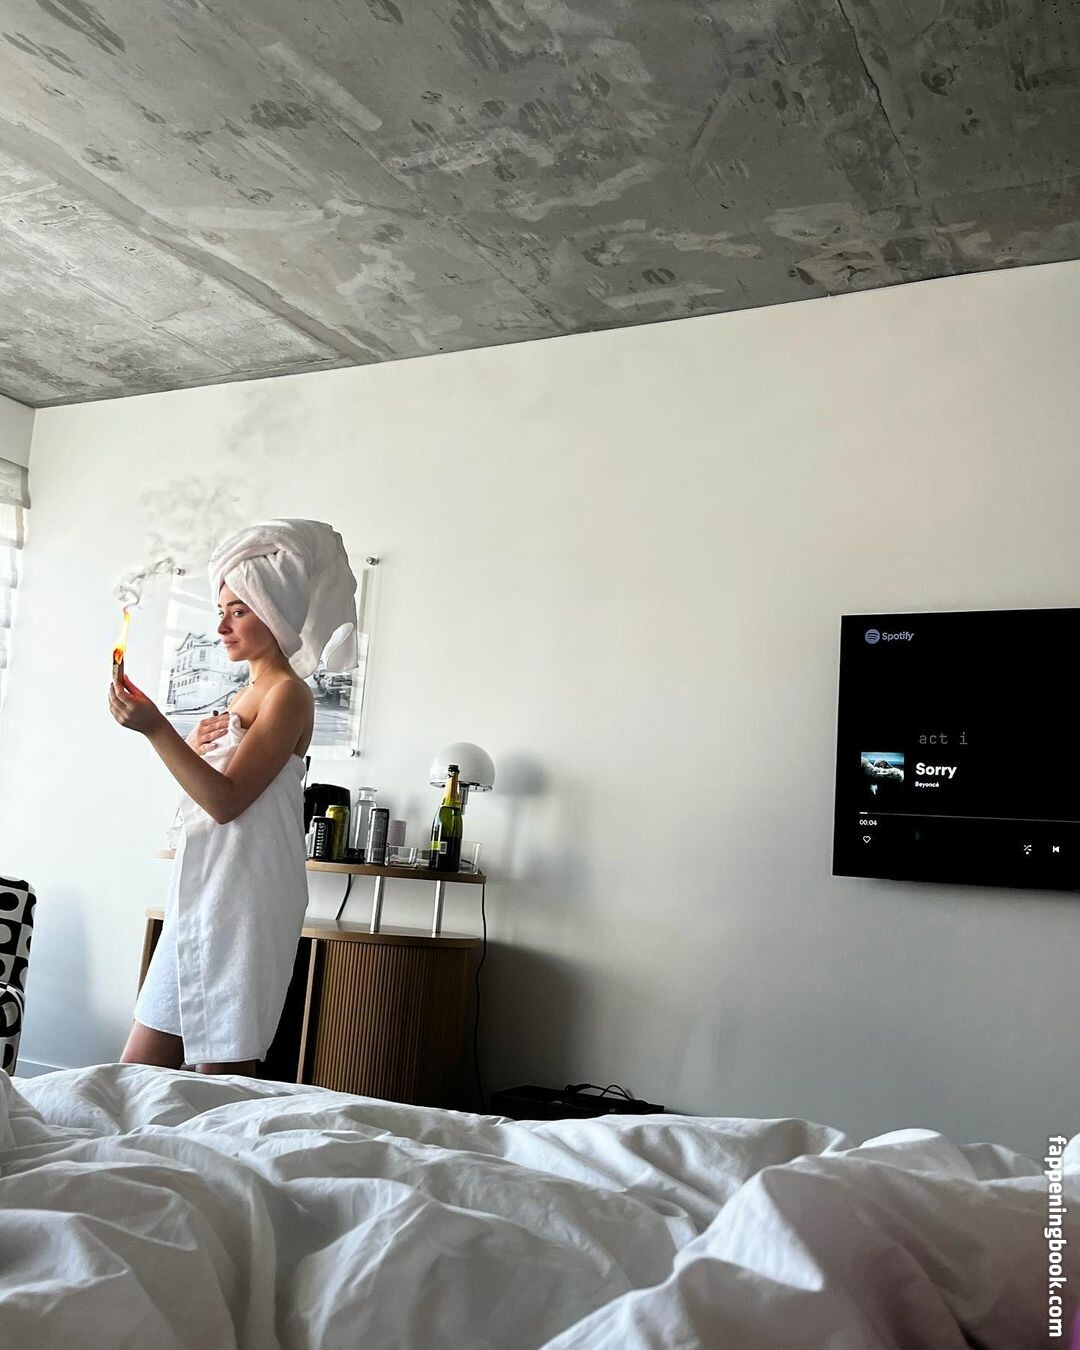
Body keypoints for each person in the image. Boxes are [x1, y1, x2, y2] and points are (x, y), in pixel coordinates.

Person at [109, 519, 358, 1076]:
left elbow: (227, 804)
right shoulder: (245, 694)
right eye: (220, 610)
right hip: (203, 889)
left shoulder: (288, 694)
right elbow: (212, 797)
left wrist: (157, 729)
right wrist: (190, 748)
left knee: (221, 1073)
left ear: (273, 613)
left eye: (238, 611)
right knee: (137, 1070)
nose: (221, 626)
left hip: (245, 894)